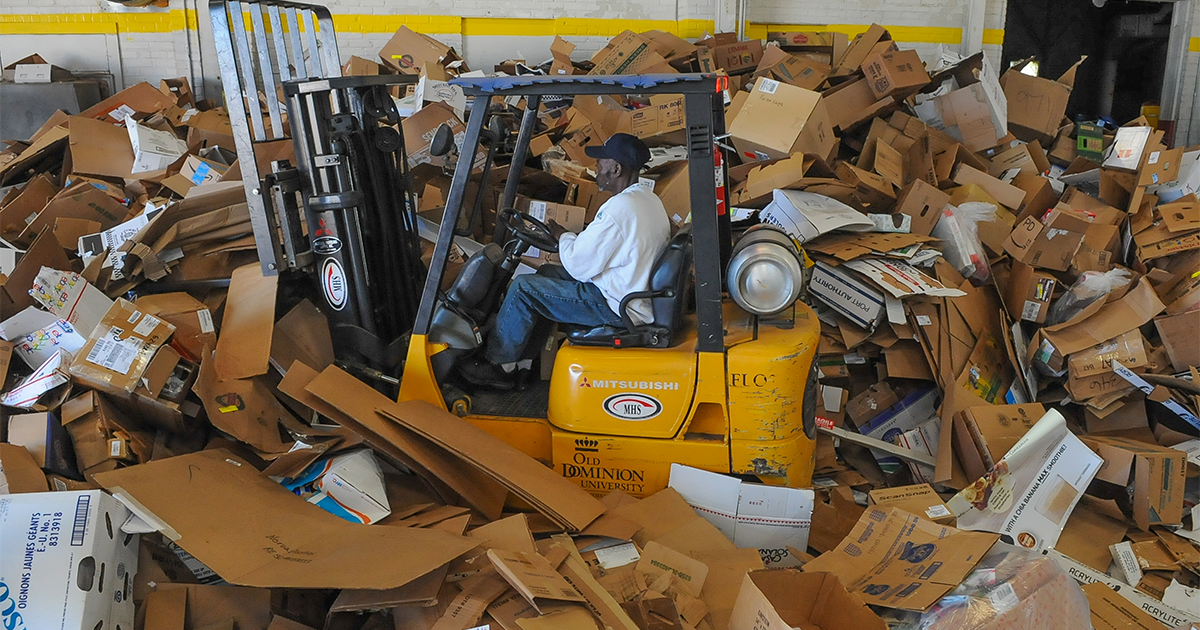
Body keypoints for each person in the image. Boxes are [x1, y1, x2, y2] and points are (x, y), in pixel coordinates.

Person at [460, 133, 671, 390]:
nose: (596, 167)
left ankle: (498, 365)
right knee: (548, 271)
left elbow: (579, 265)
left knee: (523, 289)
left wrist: (563, 236)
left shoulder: (620, 208)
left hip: (616, 306)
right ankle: (524, 363)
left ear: (616, 169)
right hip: (629, 291)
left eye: (601, 162)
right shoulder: (647, 200)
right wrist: (566, 239)